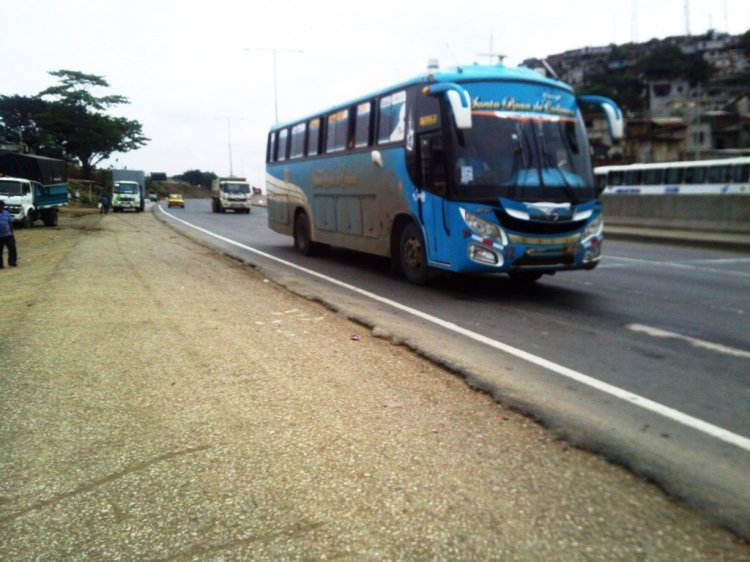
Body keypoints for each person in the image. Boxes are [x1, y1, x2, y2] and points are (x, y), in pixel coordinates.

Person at [0, 200, 18, 268]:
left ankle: (12, 262)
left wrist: (12, 232)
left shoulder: (6, 213)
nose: (1, 208)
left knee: (12, 248)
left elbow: (10, 223)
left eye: (2, 206)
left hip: (8, 234)